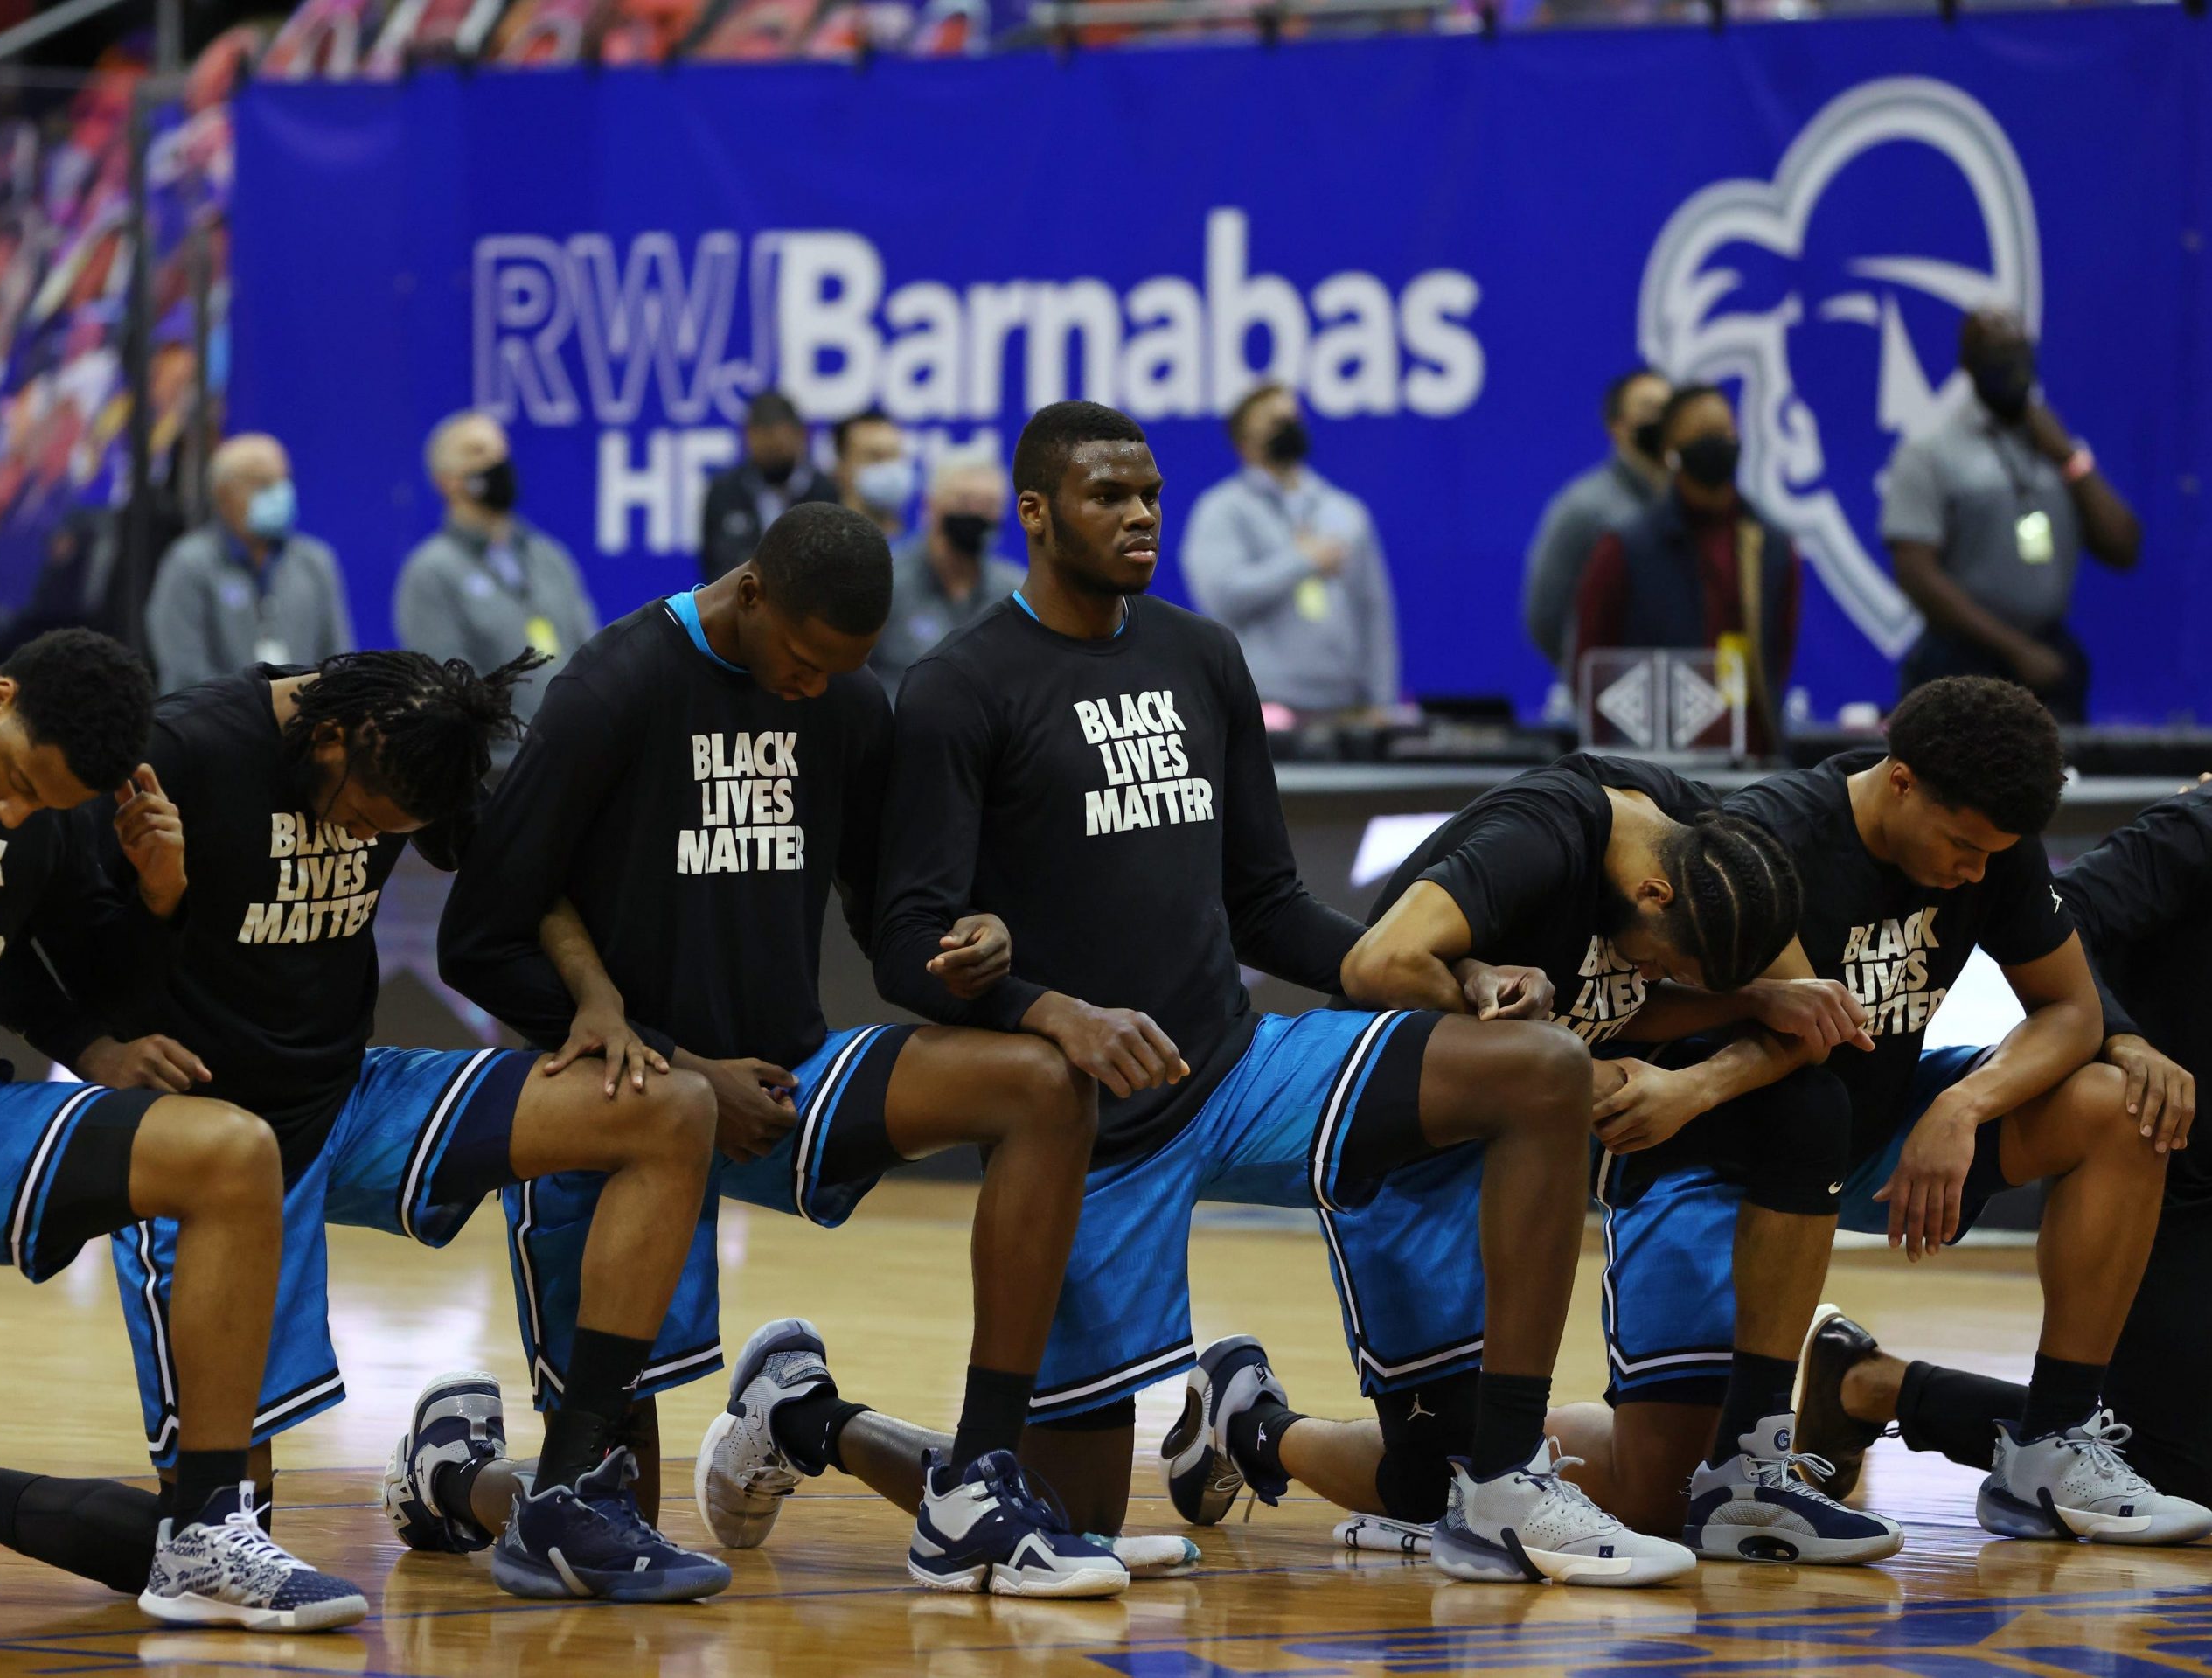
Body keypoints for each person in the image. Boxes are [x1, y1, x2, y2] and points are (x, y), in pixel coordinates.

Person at [700, 401, 1695, 1590]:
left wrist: (1457, 974)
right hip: (1088, 1119)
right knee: (1059, 1515)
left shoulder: (1203, 654)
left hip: (1233, 1064)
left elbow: (1269, 901)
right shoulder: (962, 686)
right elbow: (908, 940)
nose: (1138, 516)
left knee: (1534, 1067)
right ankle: (801, 1411)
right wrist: (1035, 999)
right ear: (1034, 511)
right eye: (1107, 496)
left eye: (1150, 495)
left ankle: (1497, 1481)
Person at [412, 502, 1122, 1598]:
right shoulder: (613, 690)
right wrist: (684, 1067)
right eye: (797, 660)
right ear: (750, 593)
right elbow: (480, 941)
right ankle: (455, 1476)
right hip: (631, 1097)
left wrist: (966, 944)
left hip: (786, 1083)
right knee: (604, 1512)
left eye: (836, 670)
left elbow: (891, 924)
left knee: (1040, 1082)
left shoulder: (844, 701)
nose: (809, 688)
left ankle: (971, 1475)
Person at [81, 649, 734, 1603]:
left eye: (388, 833)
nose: (360, 833)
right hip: (211, 1147)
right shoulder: (185, 747)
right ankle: (455, 1481)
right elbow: (62, 929)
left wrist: (596, 998)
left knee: (668, 1108)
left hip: (354, 1095)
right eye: (360, 814)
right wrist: (105, 1037)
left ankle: (567, 1486)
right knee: (221, 1530)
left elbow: (524, 872)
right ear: (333, 736)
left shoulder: (416, 745)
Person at [1248, 752, 1902, 1568]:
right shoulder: (1538, 839)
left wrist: (1696, 1081)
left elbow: (1806, 1018)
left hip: (1557, 1125)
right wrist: (1547, 1059)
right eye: (1662, 966)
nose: (1655, 982)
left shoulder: (1710, 850)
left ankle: (1737, 1459)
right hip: (1414, 1123)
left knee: (1809, 1107)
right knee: (1429, 1480)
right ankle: (1254, 1425)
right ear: (1651, 895)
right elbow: (1379, 963)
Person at [1610, 678, 2205, 1546]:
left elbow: (2071, 1011)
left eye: (1989, 854)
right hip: (1712, 1149)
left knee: (2116, 1104)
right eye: (1960, 844)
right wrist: (1692, 1082)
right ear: (1898, 781)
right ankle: (1459, 1455)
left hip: (1867, 1126)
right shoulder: (1773, 835)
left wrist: (1962, 1105)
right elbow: (1629, 998)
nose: (1972, 870)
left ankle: (2049, 1451)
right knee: (1652, 1496)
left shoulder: (1994, 849)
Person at [0, 630, 365, 1632]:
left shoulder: (42, 821)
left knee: (231, 1146)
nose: (13, 812)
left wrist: (158, 898)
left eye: (41, 804)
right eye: (13, 779)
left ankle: (202, 1531)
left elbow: (61, 966)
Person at [1796, 779, 2211, 1510]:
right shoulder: (2198, 824)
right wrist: (2126, 1038)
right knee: (2169, 1470)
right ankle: (1876, 1387)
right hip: (2173, 1166)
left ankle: (1867, 1384)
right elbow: (2069, 916)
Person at [1885, 309, 2140, 724]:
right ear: (1967, 363)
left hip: (2048, 654)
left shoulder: (2056, 447)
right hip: (1961, 661)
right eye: (1996, 352)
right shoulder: (1930, 451)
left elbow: (2123, 546)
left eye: (2018, 351)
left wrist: (2068, 457)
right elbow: (1917, 575)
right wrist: (2014, 650)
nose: (2011, 365)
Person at [1575, 385, 1801, 754]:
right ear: (1670, 451)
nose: (1718, 444)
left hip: (1751, 756)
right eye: (1703, 436)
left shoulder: (1770, 545)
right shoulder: (1625, 548)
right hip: (1653, 762)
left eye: (1726, 433)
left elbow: (1778, 656)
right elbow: (1590, 661)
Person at [1180, 384, 1398, 716]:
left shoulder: (1344, 512)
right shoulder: (1222, 511)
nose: (1287, 424)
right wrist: (1303, 561)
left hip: (1345, 705)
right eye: (1272, 420)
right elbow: (1222, 596)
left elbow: (1373, 611)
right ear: (1244, 442)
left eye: (1292, 416)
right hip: (1261, 706)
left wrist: (1383, 702)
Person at [393, 411, 598, 757]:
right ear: (447, 481)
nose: (497, 461)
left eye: (501, 450)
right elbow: (451, 689)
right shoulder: (431, 571)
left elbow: (592, 655)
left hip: (575, 757)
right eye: (477, 452)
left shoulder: (548, 556)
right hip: (497, 769)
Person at [143, 435, 356, 697]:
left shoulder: (315, 562)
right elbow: (185, 667)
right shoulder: (189, 564)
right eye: (263, 483)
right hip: (214, 728)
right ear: (223, 495)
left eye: (284, 480)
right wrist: (259, 713)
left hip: (303, 726)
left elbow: (339, 660)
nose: (279, 492)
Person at [1521, 367, 1672, 679]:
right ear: (1617, 426)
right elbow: (1545, 617)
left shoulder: (1687, 504)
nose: (1661, 421)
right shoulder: (1584, 508)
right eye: (1648, 410)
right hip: (1613, 702)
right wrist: (1594, 681)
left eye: (1669, 411)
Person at [866, 455, 1025, 697]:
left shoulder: (1016, 592)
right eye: (965, 501)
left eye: (988, 505)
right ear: (931, 505)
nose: (976, 513)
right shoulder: (884, 582)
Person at [699, 390, 838, 585]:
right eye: (763, 450)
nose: (771, 456)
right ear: (747, 438)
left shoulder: (826, 491)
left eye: (778, 449)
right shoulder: (724, 492)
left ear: (801, 436)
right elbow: (713, 563)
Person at [834, 407, 913, 540]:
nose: (889, 468)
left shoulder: (925, 543)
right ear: (842, 467)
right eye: (875, 457)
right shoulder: (825, 546)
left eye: (894, 455)